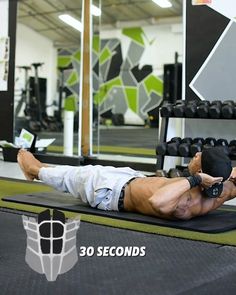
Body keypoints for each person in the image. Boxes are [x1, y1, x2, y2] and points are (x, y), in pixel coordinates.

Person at [17, 147, 236, 220]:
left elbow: (157, 201)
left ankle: (34, 170)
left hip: (110, 192)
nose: (196, 154)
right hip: (131, 178)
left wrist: (195, 179)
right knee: (77, 171)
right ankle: (44, 168)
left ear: (201, 172)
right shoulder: (222, 190)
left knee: (69, 177)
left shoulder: (187, 201)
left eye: (199, 157)